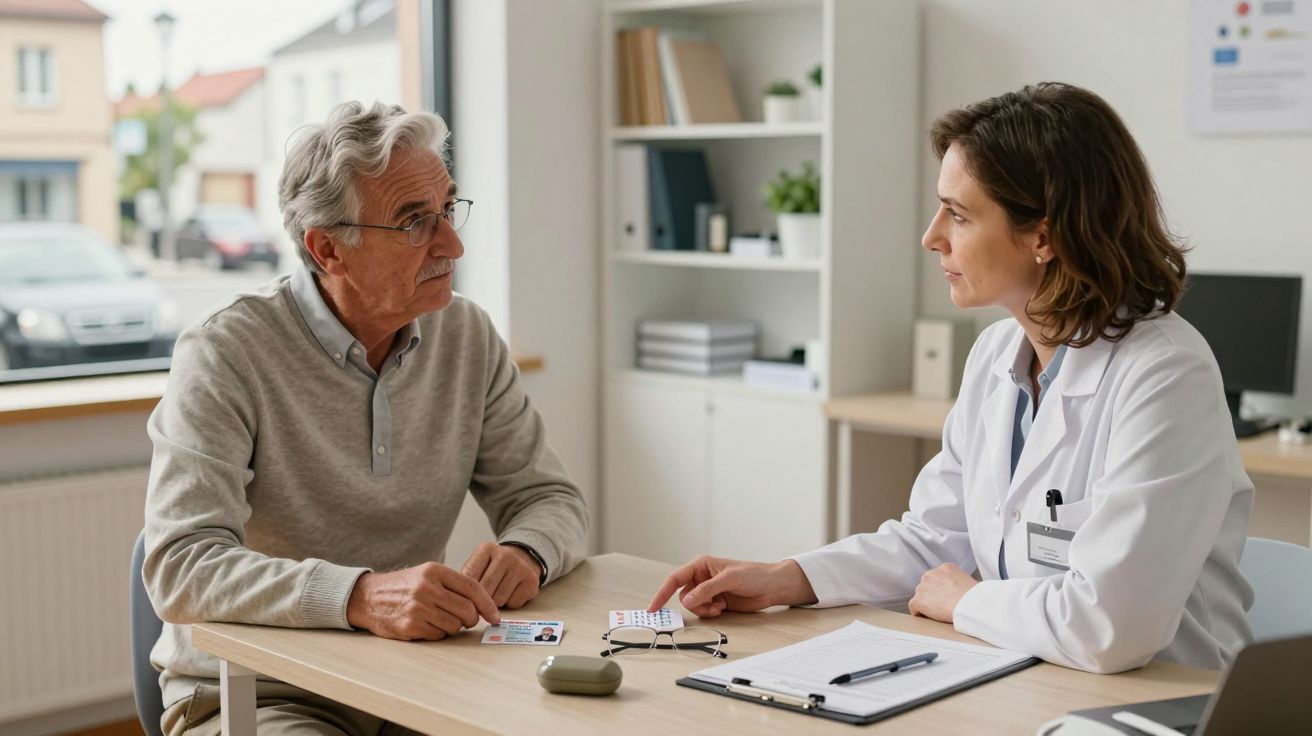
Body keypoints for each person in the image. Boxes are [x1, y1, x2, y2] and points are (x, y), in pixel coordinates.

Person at [648, 82, 1253, 675]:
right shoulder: (995, 354)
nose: (932, 236)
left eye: (958, 215)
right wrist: (788, 578)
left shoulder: (1165, 373)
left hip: (1166, 703)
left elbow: (1111, 627)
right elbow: (935, 540)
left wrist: (963, 602)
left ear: (1043, 234)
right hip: (1034, 674)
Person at [143, 101, 589, 735]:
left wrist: (528, 551)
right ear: (329, 249)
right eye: (413, 223)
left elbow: (550, 497)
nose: (453, 244)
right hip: (262, 691)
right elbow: (181, 566)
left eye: (447, 211)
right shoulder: (225, 353)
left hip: (416, 678)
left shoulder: (466, 335)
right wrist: (358, 596)